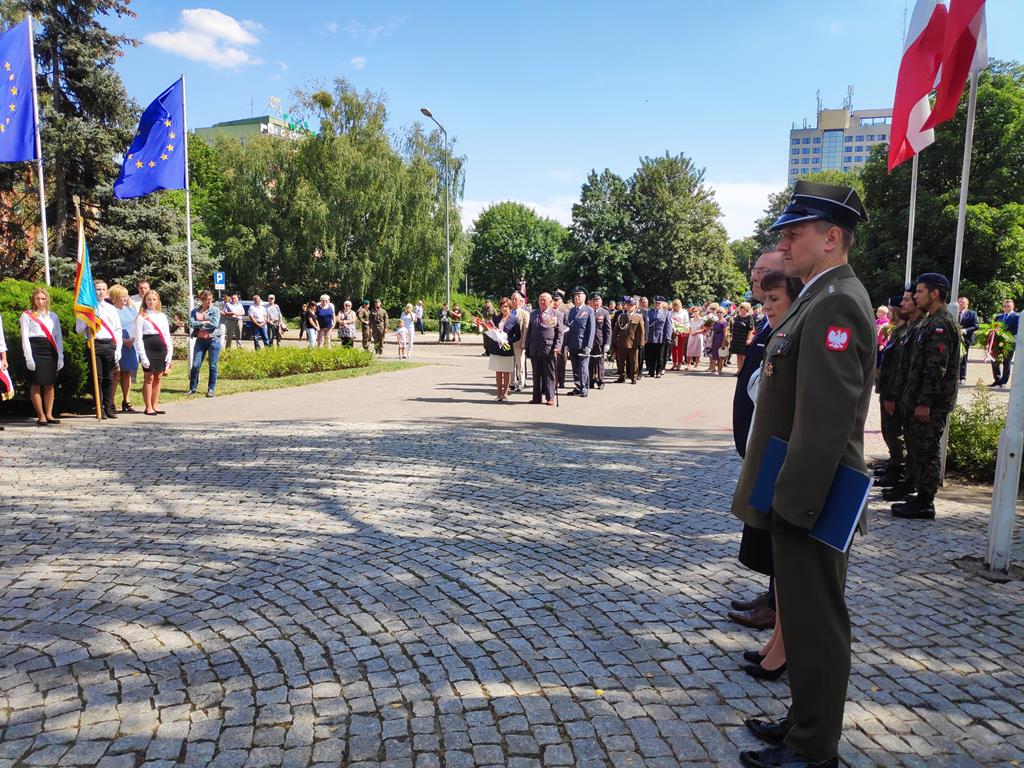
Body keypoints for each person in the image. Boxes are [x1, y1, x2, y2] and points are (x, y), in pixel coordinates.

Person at [731, 181, 873, 768]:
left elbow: (826, 419)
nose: (784, 244)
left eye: (795, 233)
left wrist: (796, 503)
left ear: (832, 237)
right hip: (796, 489)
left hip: (814, 494)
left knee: (817, 625)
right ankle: (800, 723)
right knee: (804, 615)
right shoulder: (818, 295)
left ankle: (815, 750)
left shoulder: (838, 301)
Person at [738, 268, 802, 684]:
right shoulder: (782, 327)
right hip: (773, 452)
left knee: (796, 573)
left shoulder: (820, 313)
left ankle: (784, 650)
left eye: (773, 298)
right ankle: (777, 642)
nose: (766, 306)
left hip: (790, 459)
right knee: (781, 565)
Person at [728, 247, 784, 632]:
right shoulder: (769, 319)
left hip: (776, 445)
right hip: (760, 440)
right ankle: (772, 596)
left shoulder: (785, 317)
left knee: (776, 530)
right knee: (765, 529)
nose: (755, 279)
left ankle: (778, 605)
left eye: (763, 272)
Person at [890, 273, 961, 521]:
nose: (915, 295)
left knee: (927, 451)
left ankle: (925, 502)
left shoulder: (941, 324)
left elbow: (936, 369)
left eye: (920, 292)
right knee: (917, 449)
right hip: (917, 401)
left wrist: (924, 403)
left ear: (934, 293)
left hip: (929, 406)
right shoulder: (931, 321)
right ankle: (920, 494)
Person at [875, 290, 916, 489]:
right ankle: (894, 464)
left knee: (895, 433)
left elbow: (900, 367)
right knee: (888, 430)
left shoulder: (905, 332)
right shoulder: (898, 331)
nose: (890, 312)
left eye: (893, 308)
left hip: (895, 392)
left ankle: (898, 469)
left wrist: (891, 394)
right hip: (888, 390)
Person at [76, 280, 122, 419]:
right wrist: (87, 322)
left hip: (109, 344)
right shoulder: (88, 309)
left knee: (109, 378)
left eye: (103, 289)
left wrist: (118, 348)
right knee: (98, 378)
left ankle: (108, 407)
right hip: (95, 343)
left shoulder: (111, 308)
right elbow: (79, 329)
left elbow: (117, 329)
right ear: (93, 291)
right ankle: (99, 407)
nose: (101, 292)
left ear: (107, 292)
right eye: (98, 289)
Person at [20, 287, 64, 426]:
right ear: (34, 299)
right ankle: (41, 415)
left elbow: (58, 337)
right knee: (36, 384)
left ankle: (49, 414)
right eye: (38, 298)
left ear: (47, 300)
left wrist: (60, 356)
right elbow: (25, 339)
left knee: (50, 384)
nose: (40, 301)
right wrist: (28, 357)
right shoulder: (27, 315)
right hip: (35, 349)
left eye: (43, 298)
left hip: (50, 350)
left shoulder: (53, 316)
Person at [135, 289, 173, 416]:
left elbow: (167, 335)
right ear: (145, 301)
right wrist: (143, 356)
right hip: (148, 347)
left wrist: (169, 353)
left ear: (158, 301)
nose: (151, 302)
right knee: (149, 378)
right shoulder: (141, 316)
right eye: (149, 299)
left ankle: (155, 404)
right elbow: (138, 338)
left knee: (158, 378)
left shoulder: (162, 316)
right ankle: (148, 406)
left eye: (154, 299)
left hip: (161, 348)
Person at [525, 292, 563, 406]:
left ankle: (550, 397)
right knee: (536, 374)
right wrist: (527, 346)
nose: (542, 302)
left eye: (544, 300)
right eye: (540, 299)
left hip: (549, 348)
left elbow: (560, 332)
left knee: (549, 374)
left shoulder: (556, 314)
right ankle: (536, 397)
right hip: (535, 347)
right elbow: (529, 331)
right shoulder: (533, 314)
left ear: (550, 302)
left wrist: (557, 346)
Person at [108, 285, 138, 412]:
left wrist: (132, 339)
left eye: (126, 296)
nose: (125, 299)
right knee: (116, 373)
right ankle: (112, 402)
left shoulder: (130, 310)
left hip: (131, 346)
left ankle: (126, 400)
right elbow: (111, 329)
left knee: (127, 373)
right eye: (122, 296)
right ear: (115, 297)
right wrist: (123, 341)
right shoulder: (111, 311)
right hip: (118, 345)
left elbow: (136, 325)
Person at [187, 290, 221, 398]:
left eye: (211, 299)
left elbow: (214, 324)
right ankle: (192, 388)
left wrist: (199, 325)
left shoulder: (215, 310)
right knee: (195, 365)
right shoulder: (195, 311)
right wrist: (204, 323)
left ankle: (211, 389)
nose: (209, 302)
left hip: (213, 340)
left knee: (213, 365)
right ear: (202, 300)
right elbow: (191, 323)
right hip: (200, 341)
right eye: (207, 300)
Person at [565, 287, 596, 397]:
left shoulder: (589, 311)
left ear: (584, 297)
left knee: (583, 367)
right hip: (573, 343)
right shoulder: (572, 311)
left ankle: (584, 388)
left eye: (579, 295)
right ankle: (578, 386)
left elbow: (591, 329)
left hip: (583, 344)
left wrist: (589, 345)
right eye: (575, 296)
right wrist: (566, 344)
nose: (577, 297)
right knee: (575, 368)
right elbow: (569, 328)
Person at [487, 297, 520, 401]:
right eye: (502, 306)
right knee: (498, 372)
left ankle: (505, 394)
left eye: (506, 306)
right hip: (496, 348)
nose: (503, 309)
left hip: (507, 348)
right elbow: (491, 329)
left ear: (510, 307)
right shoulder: (496, 318)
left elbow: (518, 336)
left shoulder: (514, 319)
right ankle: (499, 394)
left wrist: (507, 341)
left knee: (506, 372)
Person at [612, 296, 645, 384]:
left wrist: (641, 343)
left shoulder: (638, 317)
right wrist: (613, 341)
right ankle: (622, 376)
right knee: (621, 361)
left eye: (631, 305)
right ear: (625, 306)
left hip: (633, 343)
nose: (629, 306)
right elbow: (616, 330)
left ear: (635, 306)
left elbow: (642, 332)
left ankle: (633, 377)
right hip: (621, 343)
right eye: (628, 305)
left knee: (634, 361)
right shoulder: (621, 316)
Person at [990, 299, 1019, 387]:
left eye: (1008, 306)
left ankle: (1003, 381)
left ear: (1013, 307)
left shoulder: (1017, 317)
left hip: (1009, 342)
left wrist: (1003, 333)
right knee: (994, 361)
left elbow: (1016, 329)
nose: (1006, 308)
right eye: (1004, 306)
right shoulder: (998, 317)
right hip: (997, 342)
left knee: (1007, 362)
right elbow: (993, 326)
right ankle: (997, 380)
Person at [645, 297, 672, 378]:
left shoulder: (666, 313)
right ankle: (651, 371)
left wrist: (668, 337)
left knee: (659, 356)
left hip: (661, 337)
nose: (657, 304)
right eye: (656, 303)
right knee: (651, 355)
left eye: (659, 303)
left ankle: (658, 371)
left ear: (662, 304)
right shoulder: (649, 312)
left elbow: (668, 326)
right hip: (650, 337)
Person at [589, 294, 611, 389]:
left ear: (601, 302)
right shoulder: (587, 312)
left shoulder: (604, 313)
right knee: (590, 362)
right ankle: (590, 380)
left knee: (600, 362)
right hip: (589, 342)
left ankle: (601, 381)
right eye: (594, 300)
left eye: (597, 300)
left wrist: (607, 343)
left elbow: (608, 329)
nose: (596, 302)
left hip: (600, 342)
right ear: (591, 302)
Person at [510, 292, 530, 392]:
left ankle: (521, 383)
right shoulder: (508, 313)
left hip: (519, 343)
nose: (514, 301)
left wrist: (524, 343)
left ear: (520, 301)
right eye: (512, 299)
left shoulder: (524, 313)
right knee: (511, 364)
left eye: (516, 299)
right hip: (509, 344)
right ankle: (512, 383)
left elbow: (526, 329)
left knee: (520, 364)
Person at [956, 296, 978, 383]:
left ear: (967, 304)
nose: (960, 304)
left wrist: (965, 330)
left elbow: (976, 326)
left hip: (966, 339)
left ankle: (962, 377)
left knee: (963, 358)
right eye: (959, 302)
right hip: (954, 338)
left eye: (963, 302)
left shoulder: (972, 313)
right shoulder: (954, 312)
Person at [730, 302, 754, 373]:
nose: (739, 308)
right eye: (740, 307)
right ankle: (739, 370)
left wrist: (749, 339)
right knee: (738, 355)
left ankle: (743, 371)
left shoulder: (749, 317)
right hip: (736, 338)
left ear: (746, 309)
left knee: (743, 356)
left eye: (741, 307)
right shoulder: (737, 316)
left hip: (744, 339)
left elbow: (750, 329)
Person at [708, 307, 729, 374]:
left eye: (721, 312)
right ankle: (714, 368)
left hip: (721, 337)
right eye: (718, 312)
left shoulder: (724, 322)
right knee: (715, 354)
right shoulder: (716, 321)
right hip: (715, 338)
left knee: (721, 355)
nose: (719, 314)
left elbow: (725, 333)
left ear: (723, 313)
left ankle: (719, 370)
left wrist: (723, 342)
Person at [669, 299, 688, 371]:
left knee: (680, 349)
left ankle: (679, 363)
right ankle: (674, 363)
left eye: (677, 305)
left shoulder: (684, 312)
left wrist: (685, 330)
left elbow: (686, 322)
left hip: (681, 332)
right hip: (674, 332)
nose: (675, 306)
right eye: (674, 305)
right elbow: (671, 322)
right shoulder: (671, 312)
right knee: (674, 348)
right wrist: (674, 329)